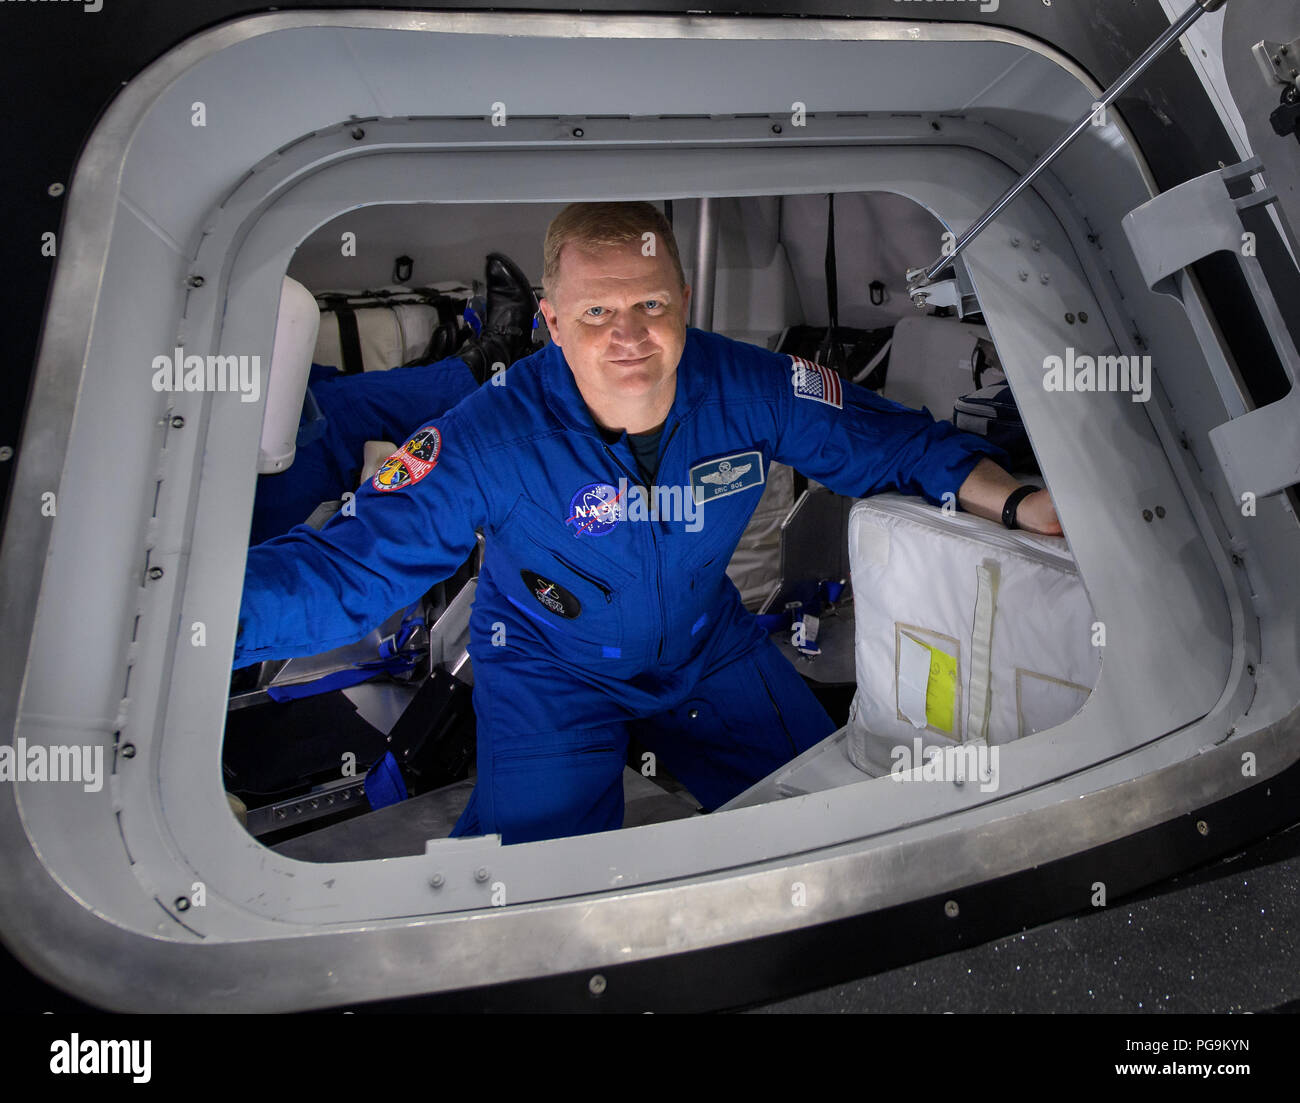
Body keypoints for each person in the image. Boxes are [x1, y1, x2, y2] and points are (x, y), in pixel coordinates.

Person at [234, 201, 1061, 845]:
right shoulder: (490, 435)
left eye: (651, 303)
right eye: (595, 313)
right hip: (548, 667)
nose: (629, 334)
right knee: (538, 894)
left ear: (685, 301)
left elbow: (886, 439)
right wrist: (179, 626)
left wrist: (1022, 503)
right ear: (552, 324)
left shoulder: (752, 385)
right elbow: (350, 570)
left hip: (707, 648)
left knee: (833, 820)